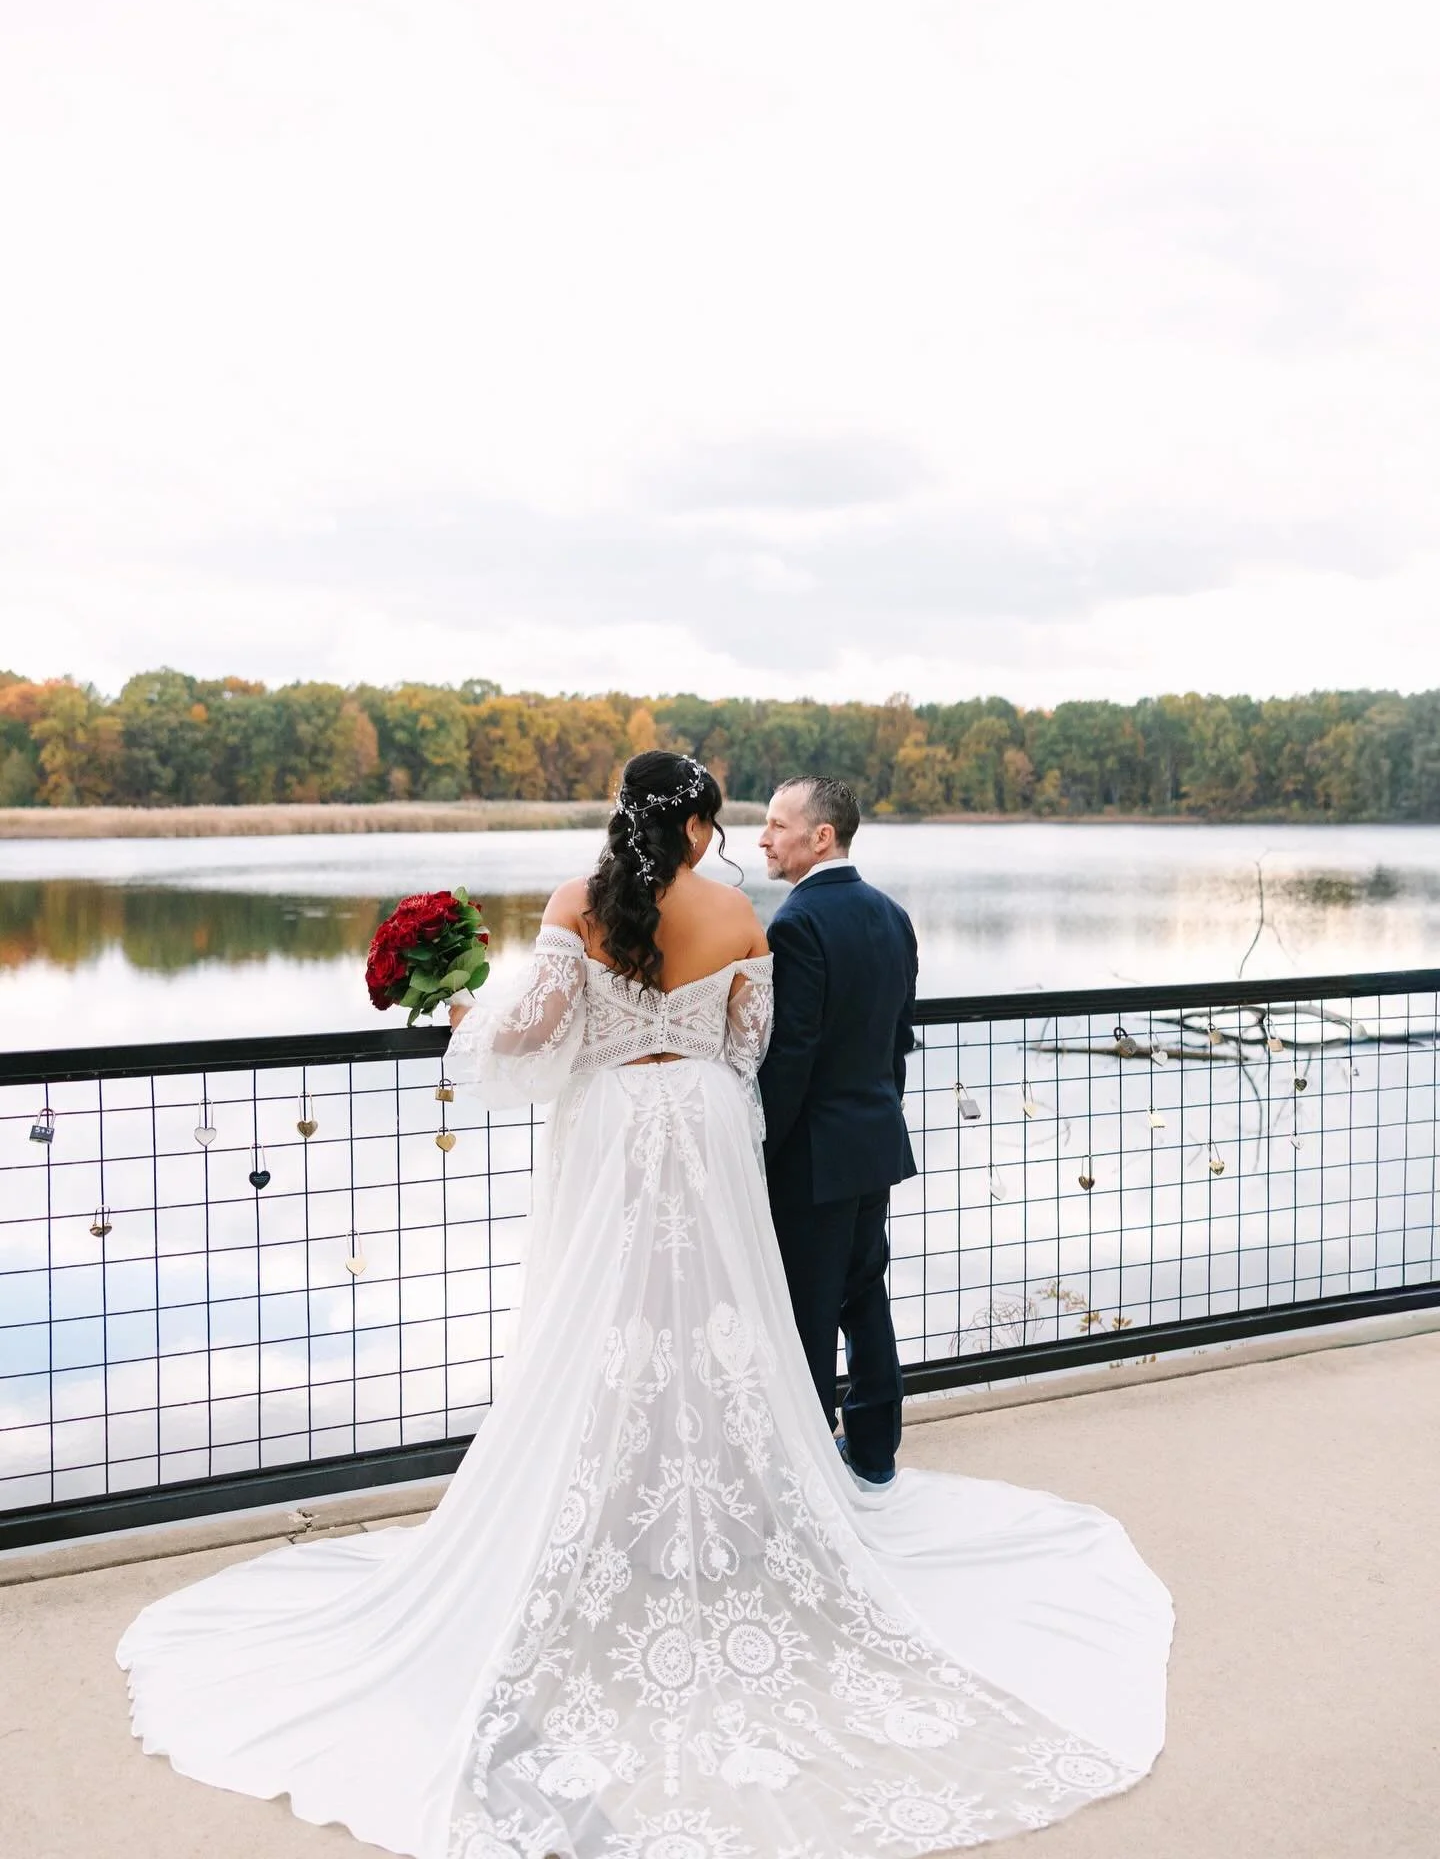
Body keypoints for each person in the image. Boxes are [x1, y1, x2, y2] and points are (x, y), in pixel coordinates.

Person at [118, 751, 1172, 1859]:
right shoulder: (740, 917)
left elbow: (533, 1041)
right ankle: (720, 1509)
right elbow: (748, 1048)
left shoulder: (581, 903)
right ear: (705, 825)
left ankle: (610, 1506)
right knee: (720, 1320)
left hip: (616, 1129)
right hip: (707, 1126)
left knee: (604, 1321)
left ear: (630, 816)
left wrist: (471, 1008)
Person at [758, 776, 917, 1487]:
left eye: (776, 824)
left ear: (821, 836)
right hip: (874, 1140)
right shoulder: (893, 916)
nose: (763, 838)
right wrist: (878, 1119)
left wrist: (760, 1146)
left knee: (809, 1310)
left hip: (813, 1155)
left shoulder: (796, 925)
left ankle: (811, 1468)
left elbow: (791, 1056)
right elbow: (895, 1043)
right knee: (864, 1292)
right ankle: (876, 1449)